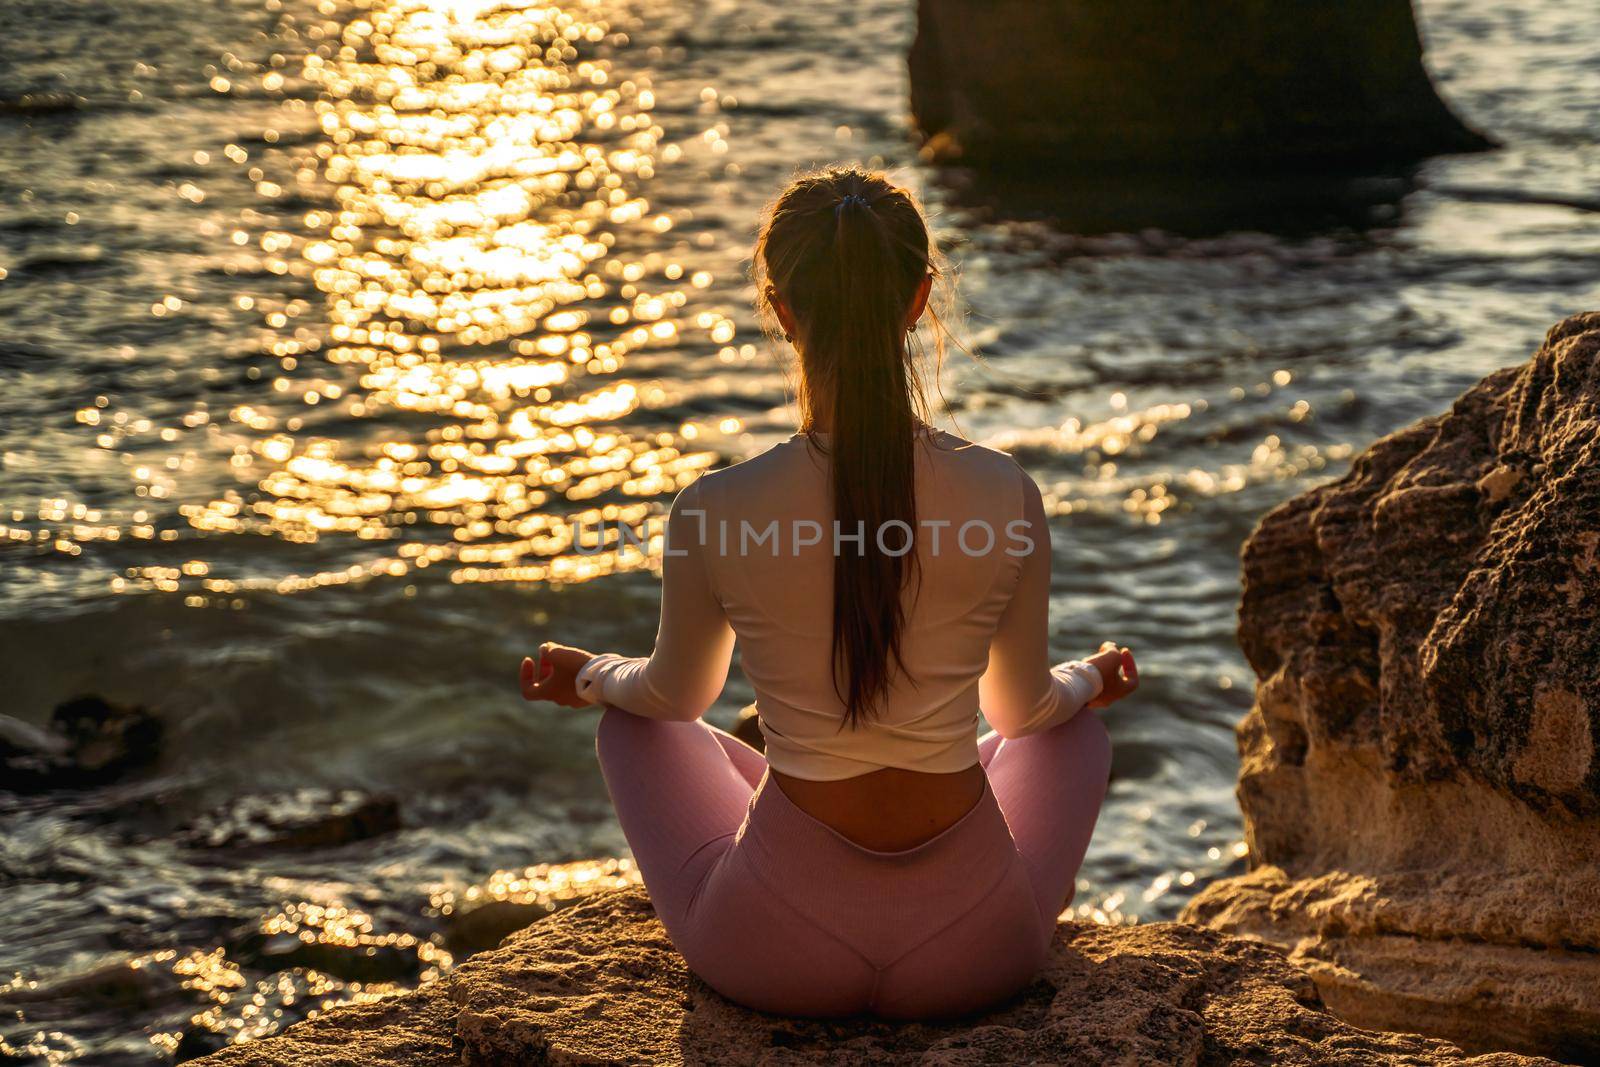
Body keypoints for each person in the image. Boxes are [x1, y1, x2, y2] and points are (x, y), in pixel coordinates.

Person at [520, 165, 1138, 1019]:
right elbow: (1019, 712)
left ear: (781, 309)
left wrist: (592, 674)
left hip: (775, 950)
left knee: (638, 727)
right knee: (1071, 738)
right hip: (975, 951)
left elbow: (676, 696)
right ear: (918, 299)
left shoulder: (718, 506)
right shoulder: (1004, 491)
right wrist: (1089, 678)